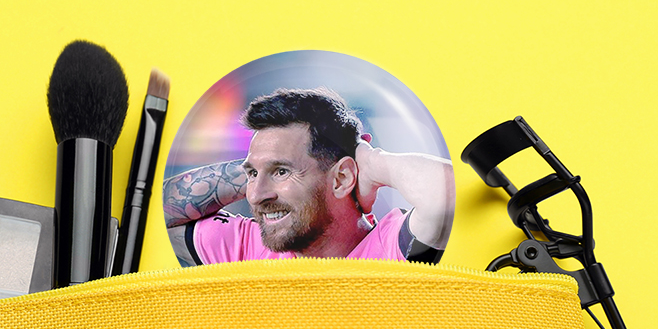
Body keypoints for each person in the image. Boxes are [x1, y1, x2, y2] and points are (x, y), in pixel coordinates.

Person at [163, 87, 455, 266]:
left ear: (341, 178)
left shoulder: (391, 250)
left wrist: (369, 160)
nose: (255, 195)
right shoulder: (246, 247)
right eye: (252, 174)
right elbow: (158, 211)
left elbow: (446, 194)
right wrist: (262, 169)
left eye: (282, 171)